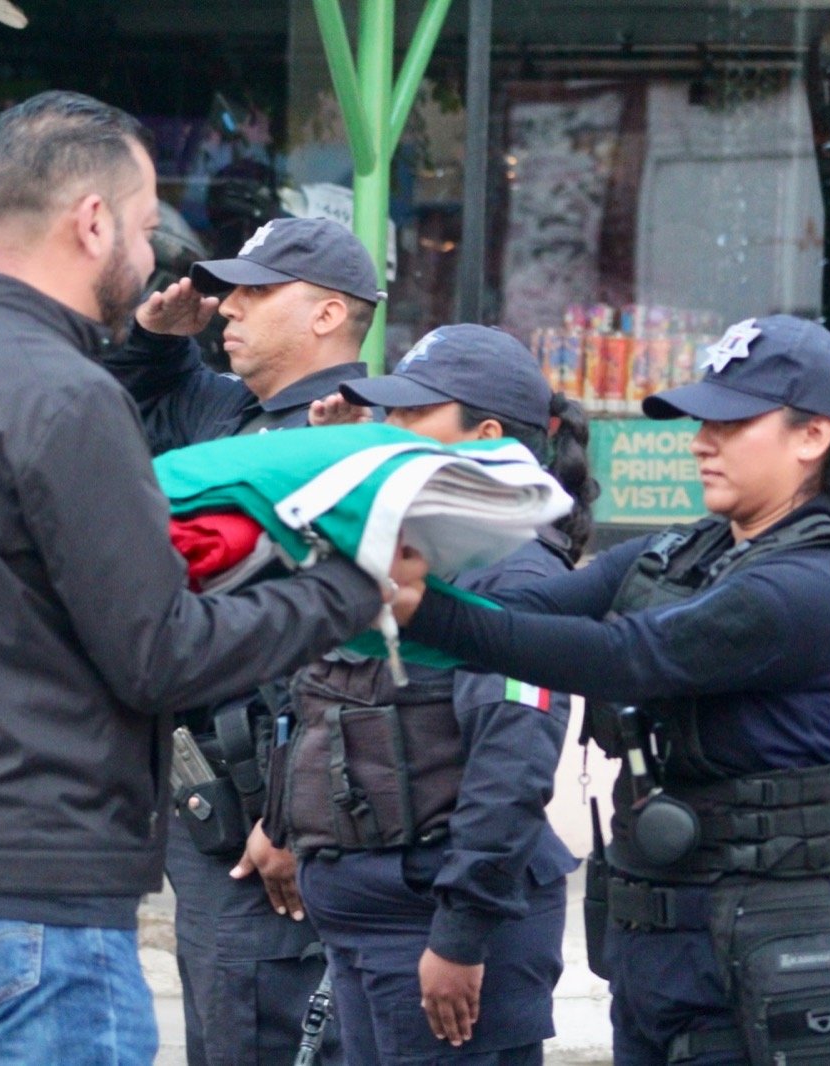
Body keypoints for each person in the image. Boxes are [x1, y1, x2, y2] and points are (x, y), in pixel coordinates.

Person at [0, 90, 421, 1065]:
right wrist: (349, 590)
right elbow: (158, 653)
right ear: (94, 222)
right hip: (33, 884)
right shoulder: (63, 398)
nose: (160, 265)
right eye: (149, 228)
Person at [391, 315, 830, 1066]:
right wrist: (395, 569)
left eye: (731, 423)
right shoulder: (688, 549)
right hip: (665, 954)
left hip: (775, 956)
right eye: (703, 421)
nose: (702, 441)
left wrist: (427, 610)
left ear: (813, 435)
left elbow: (628, 656)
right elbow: (522, 613)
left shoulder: (813, 586)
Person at [267, 324, 594, 1064]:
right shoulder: (420, 551)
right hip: (369, 918)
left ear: (484, 437)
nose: (392, 430)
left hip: (435, 927)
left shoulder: (515, 577)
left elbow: (511, 766)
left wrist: (460, 934)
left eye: (415, 415)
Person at [102, 215, 384, 1065]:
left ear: (327, 314)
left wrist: (292, 813)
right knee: (221, 1027)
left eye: (258, 291)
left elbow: (346, 651)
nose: (229, 305)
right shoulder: (230, 412)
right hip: (207, 800)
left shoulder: (353, 435)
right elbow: (111, 419)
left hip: (277, 817)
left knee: (264, 1028)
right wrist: (153, 341)